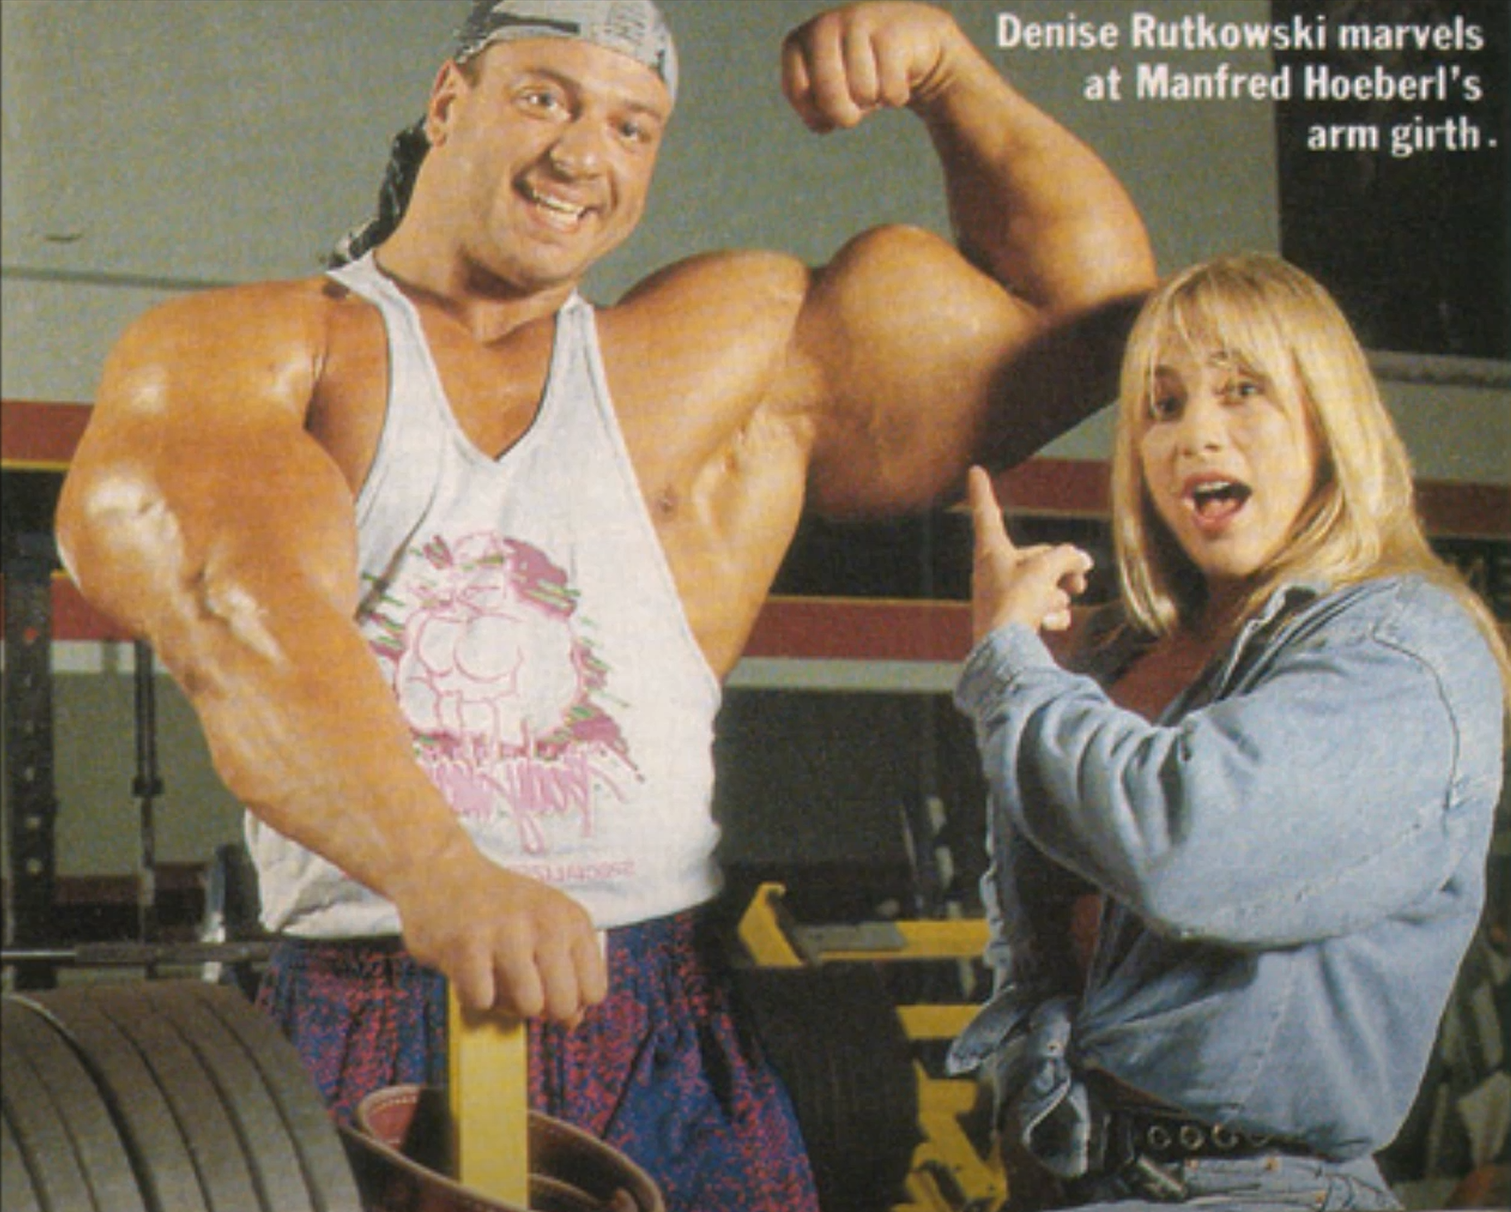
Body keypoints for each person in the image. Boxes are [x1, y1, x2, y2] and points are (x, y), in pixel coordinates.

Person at [54, 0, 1154, 1206]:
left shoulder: (722, 360)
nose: (583, 155)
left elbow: (1091, 320)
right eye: (544, 99)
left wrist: (950, 74)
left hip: (669, 1015)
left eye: (632, 127)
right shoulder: (250, 347)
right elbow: (235, 608)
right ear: (445, 102)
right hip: (378, 998)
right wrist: (436, 868)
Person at [951, 252, 1509, 1211]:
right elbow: (1038, 942)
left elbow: (1186, 846)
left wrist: (1008, 663)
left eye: (1241, 390)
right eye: (1162, 406)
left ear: (1326, 420)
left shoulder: (1406, 647)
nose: (1194, 435)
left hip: (1254, 1187)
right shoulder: (1118, 656)